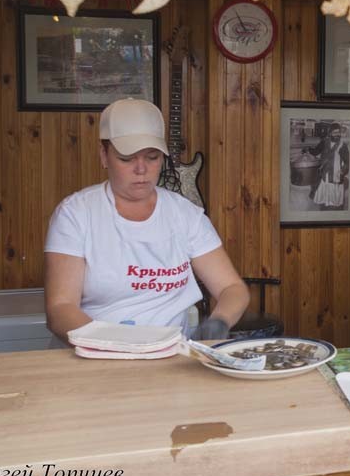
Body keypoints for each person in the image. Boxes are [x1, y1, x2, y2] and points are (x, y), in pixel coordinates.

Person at [43, 98, 250, 344]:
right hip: (94, 353)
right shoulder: (76, 214)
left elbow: (232, 289)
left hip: (170, 355)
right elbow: (60, 309)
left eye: (152, 157)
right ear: (104, 155)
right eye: (127, 158)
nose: (141, 169)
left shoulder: (185, 215)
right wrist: (117, 345)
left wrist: (220, 321)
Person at [308, 122, 350, 209]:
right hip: (325, 171)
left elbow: (347, 162)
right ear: (330, 133)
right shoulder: (324, 142)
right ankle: (325, 204)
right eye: (335, 132)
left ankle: (334, 207)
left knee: (334, 192)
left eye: (338, 132)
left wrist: (343, 172)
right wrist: (308, 149)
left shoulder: (343, 145)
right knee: (324, 187)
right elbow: (316, 151)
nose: (337, 135)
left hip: (336, 172)